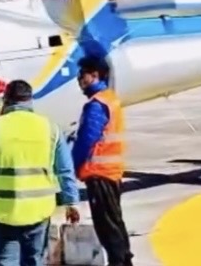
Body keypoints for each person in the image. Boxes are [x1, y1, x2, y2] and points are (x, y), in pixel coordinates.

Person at [0, 80, 80, 266]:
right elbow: (64, 170)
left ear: (5, 100)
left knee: (5, 261)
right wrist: (71, 202)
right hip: (39, 210)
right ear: (30, 100)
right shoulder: (50, 128)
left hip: (2, 211)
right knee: (35, 260)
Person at [72, 55, 133, 266]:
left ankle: (119, 261)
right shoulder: (110, 99)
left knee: (107, 226)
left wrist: (75, 166)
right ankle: (125, 259)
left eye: (82, 75)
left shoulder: (96, 105)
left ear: (94, 75)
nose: (79, 80)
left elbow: (86, 140)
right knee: (115, 221)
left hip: (99, 173)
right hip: (112, 172)